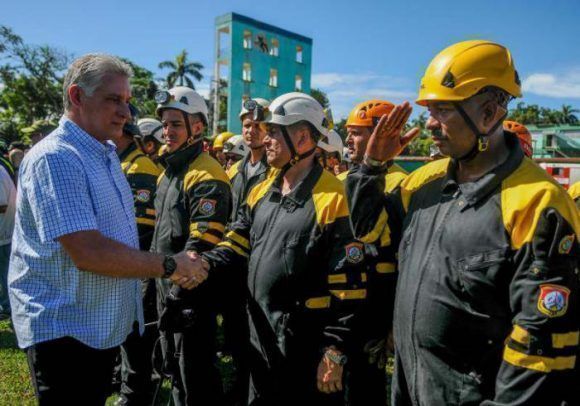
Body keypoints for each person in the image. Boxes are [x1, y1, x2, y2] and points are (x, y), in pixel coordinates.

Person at [346, 40, 580, 405]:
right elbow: (369, 232)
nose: (429, 124)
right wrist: (371, 168)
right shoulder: (423, 182)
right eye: (428, 109)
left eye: (442, 110)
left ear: (488, 114)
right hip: (409, 388)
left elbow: (541, 341)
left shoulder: (538, 202)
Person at [8, 54, 206, 405]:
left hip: (94, 327)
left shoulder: (104, 153)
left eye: (127, 102)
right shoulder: (57, 157)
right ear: (77, 96)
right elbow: (88, 252)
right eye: (113, 100)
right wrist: (171, 265)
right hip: (65, 333)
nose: (126, 113)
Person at [200, 92, 367, 405]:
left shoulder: (333, 197)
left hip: (306, 347)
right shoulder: (262, 188)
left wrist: (335, 352)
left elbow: (351, 289)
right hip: (260, 336)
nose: (266, 140)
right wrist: (202, 264)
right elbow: (236, 242)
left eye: (274, 132)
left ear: (303, 137)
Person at [152, 86, 232, 406]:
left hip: (190, 297)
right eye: (165, 124)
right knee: (174, 371)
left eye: (175, 124)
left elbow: (201, 242)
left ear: (197, 127)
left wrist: (176, 295)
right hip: (165, 290)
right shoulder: (168, 172)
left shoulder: (207, 172)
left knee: (195, 375)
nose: (167, 131)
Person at [340, 99, 408, 406]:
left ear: (382, 132)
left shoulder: (403, 185)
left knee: (365, 387)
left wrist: (395, 321)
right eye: (349, 132)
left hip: (374, 304)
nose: (348, 140)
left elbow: (405, 259)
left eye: (356, 133)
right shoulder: (342, 179)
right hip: (338, 302)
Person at [113, 104, 163, 405]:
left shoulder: (140, 167)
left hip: (137, 264)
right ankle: (123, 380)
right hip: (123, 262)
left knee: (137, 334)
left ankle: (135, 391)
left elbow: (141, 229)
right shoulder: (119, 162)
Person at [223, 98, 270, 406]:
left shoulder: (275, 171)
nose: (251, 131)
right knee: (235, 331)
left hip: (259, 263)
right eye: (247, 126)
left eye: (257, 125)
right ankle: (240, 385)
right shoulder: (235, 171)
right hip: (233, 262)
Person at [0, 165, 15, 320]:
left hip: (3, 232)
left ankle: (8, 307)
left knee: (5, 272)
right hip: (5, 231)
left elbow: (2, 205)